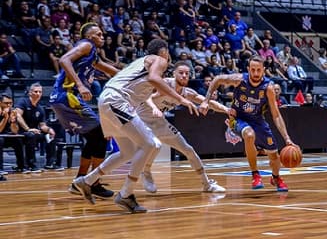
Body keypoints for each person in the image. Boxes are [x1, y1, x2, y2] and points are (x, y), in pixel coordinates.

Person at [72, 39, 199, 213]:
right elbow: (154, 78)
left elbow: (123, 77)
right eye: (167, 53)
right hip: (117, 100)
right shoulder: (159, 60)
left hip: (109, 100)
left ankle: (86, 180)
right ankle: (126, 194)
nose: (168, 57)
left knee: (128, 152)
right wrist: (181, 99)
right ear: (164, 52)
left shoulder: (139, 64)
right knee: (150, 143)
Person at [199, 55, 297, 192]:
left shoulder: (268, 88)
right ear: (248, 69)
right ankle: (255, 174)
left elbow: (276, 115)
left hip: (257, 120)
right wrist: (206, 100)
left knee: (274, 156)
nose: (255, 73)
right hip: (237, 118)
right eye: (253, 70)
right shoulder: (239, 80)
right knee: (249, 135)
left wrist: (287, 138)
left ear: (264, 70)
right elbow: (217, 79)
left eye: (258, 70)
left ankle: (276, 177)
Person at [49, 22, 119, 198]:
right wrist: (80, 85)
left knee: (95, 139)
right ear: (89, 37)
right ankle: (91, 183)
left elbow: (109, 69)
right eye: (99, 34)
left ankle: (81, 181)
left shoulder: (92, 54)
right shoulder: (85, 45)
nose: (102, 37)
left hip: (63, 99)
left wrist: (133, 74)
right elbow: (63, 59)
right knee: (102, 135)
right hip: (68, 96)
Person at [137, 61, 227, 193]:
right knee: (155, 145)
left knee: (188, 149)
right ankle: (146, 172)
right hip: (141, 120)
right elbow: (146, 96)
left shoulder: (187, 92)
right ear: (174, 73)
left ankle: (207, 184)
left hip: (159, 122)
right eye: (181, 73)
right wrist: (154, 107)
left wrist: (227, 110)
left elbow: (208, 102)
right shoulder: (164, 83)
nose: (184, 76)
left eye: (187, 73)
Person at [15, 83, 58, 172]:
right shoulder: (23, 102)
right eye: (36, 91)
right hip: (21, 132)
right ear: (30, 93)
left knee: (50, 136)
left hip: (34, 132)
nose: (38, 94)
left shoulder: (40, 108)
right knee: (31, 135)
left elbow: (42, 126)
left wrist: (49, 130)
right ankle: (31, 165)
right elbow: (18, 116)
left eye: (40, 92)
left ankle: (50, 163)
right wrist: (28, 129)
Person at [0, 93, 25, 173]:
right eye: (6, 103)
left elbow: (15, 131)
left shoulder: (12, 111)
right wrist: (5, 118)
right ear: (0, 103)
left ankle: (21, 167)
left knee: (18, 139)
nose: (9, 105)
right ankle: (0, 169)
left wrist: (13, 122)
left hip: (6, 137)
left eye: (10, 103)